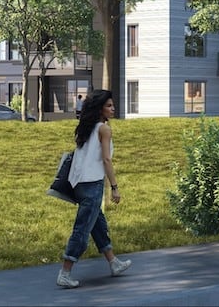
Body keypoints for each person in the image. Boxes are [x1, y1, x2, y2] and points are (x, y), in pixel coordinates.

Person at [57, 90, 131, 288]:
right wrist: (114, 187)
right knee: (82, 230)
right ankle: (65, 273)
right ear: (99, 109)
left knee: (98, 225)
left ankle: (113, 262)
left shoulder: (86, 127)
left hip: (79, 184)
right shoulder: (104, 129)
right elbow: (106, 159)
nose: (113, 108)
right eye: (109, 105)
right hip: (92, 184)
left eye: (112, 105)